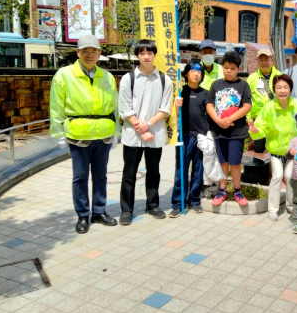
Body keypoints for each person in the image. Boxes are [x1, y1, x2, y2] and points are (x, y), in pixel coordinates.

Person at [49, 34, 120, 234]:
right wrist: (58, 132)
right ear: (78, 53)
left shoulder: (106, 76)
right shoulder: (64, 75)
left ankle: (99, 211)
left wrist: (116, 131)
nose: (90, 55)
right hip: (78, 134)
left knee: (101, 176)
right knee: (80, 176)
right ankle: (82, 215)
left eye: (94, 51)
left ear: (99, 53)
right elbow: (56, 106)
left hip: (103, 134)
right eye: (85, 51)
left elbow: (114, 106)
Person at [118, 40, 173, 225]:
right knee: (129, 173)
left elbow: (165, 108)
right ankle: (126, 209)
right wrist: (140, 128)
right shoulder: (128, 78)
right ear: (137, 56)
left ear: (154, 55)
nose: (146, 56)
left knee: (154, 171)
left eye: (149, 53)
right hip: (132, 136)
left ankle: (153, 205)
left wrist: (147, 124)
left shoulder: (165, 79)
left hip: (154, 135)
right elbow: (124, 108)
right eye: (142, 53)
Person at [248, 74, 297, 220]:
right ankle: (272, 209)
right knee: (278, 176)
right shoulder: (269, 107)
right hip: (276, 151)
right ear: (274, 90)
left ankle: (291, 206)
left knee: (290, 176)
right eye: (278, 87)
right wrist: (256, 131)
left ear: (290, 89)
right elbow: (261, 127)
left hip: (293, 150)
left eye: (286, 87)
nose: (282, 90)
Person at [206, 51, 252, 206]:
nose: (228, 71)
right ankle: (222, 190)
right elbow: (209, 105)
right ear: (222, 68)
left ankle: (238, 191)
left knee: (235, 163)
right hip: (219, 131)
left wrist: (229, 119)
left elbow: (246, 106)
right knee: (222, 162)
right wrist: (218, 121)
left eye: (232, 68)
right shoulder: (216, 84)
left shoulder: (243, 85)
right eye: (226, 67)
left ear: (238, 69)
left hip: (236, 132)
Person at [171, 60, 209, 217]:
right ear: (186, 74)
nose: (196, 73)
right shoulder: (180, 93)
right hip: (185, 136)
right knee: (181, 169)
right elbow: (171, 115)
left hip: (201, 137)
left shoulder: (205, 93)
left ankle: (194, 200)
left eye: (199, 71)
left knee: (198, 170)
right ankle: (178, 203)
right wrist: (176, 105)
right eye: (192, 70)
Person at [246, 48, 281, 153]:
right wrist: (249, 119)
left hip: (277, 118)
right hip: (258, 120)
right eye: (261, 60)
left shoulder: (280, 76)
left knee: (276, 146)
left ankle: (274, 169)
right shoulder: (252, 78)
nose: (264, 62)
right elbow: (247, 99)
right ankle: (261, 169)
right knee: (259, 147)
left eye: (267, 59)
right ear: (257, 62)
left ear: (272, 61)